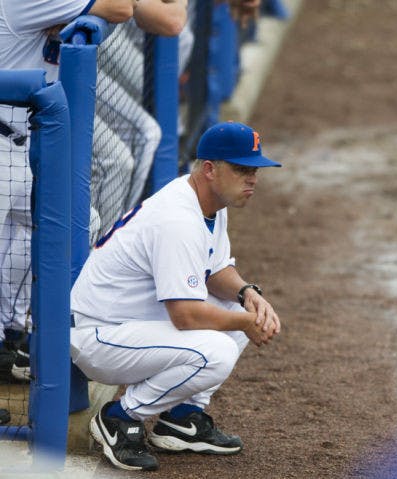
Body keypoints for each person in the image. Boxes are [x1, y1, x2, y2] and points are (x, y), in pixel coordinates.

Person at [69, 121, 282, 472]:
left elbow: (214, 270)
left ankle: (182, 419)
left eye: (255, 170)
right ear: (211, 170)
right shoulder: (177, 219)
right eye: (243, 169)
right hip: (99, 336)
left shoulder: (209, 201)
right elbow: (185, 316)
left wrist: (247, 295)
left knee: (235, 307)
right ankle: (119, 418)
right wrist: (246, 321)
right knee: (218, 350)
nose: (253, 179)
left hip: (133, 324)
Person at [0, 0, 135, 400]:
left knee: (79, 224)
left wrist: (69, 17)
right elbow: (122, 6)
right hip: (4, 138)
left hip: (21, 144)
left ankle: (13, 329)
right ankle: (13, 329)